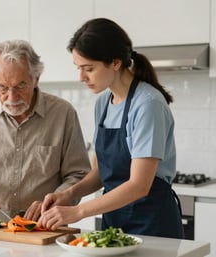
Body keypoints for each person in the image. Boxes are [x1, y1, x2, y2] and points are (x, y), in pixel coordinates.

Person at [38, 18, 184, 239]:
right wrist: (69, 194)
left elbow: (138, 186)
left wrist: (78, 211)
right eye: (79, 68)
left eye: (89, 68)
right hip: (114, 222)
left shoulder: (147, 104)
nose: (81, 77)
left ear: (115, 63)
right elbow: (101, 172)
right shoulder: (104, 103)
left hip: (152, 224)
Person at [0, 39, 91, 221]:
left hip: (43, 225)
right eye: (2, 88)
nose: (12, 97)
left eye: (20, 86)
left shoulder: (63, 114)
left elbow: (79, 174)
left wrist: (54, 201)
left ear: (36, 79)